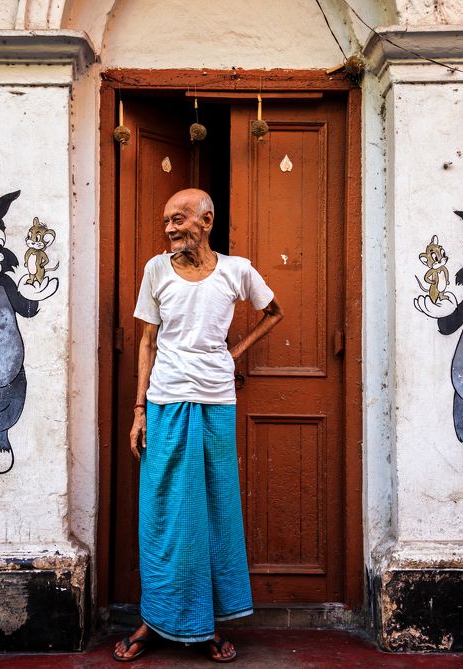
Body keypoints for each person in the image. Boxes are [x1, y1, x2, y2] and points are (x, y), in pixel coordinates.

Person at [113, 188, 283, 663]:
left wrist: (234, 353)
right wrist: (139, 410)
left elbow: (274, 312)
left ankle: (205, 622)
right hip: (166, 403)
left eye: (179, 220)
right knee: (164, 513)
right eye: (167, 220)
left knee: (211, 510)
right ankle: (155, 618)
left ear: (206, 220)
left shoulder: (236, 270)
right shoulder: (156, 270)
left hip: (215, 403)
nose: (169, 229)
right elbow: (147, 342)